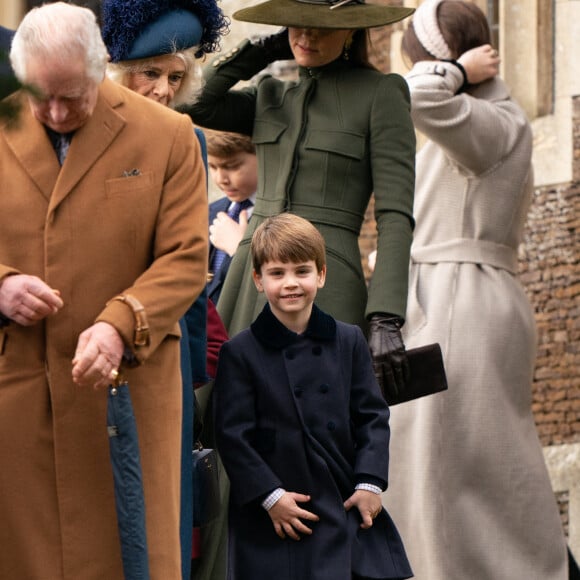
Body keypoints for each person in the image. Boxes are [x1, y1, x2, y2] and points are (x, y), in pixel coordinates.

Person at [0, 3, 208, 579]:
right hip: (19, 392)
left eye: (73, 95)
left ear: (100, 71)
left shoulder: (168, 135)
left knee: (128, 556)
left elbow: (187, 258)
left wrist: (121, 322)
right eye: (43, 97)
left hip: (129, 390)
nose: (58, 112)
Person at [382, 1, 569, 579]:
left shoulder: (487, 120)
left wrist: (456, 69)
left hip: (459, 299)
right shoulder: (483, 119)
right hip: (459, 294)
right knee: (458, 457)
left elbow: (411, 96)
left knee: (444, 459)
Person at [181, 0, 417, 399]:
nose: (306, 36)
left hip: (328, 280)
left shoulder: (380, 94)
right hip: (250, 281)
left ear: (351, 30)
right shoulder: (270, 96)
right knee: (232, 418)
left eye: (320, 27)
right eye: (296, 25)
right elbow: (193, 101)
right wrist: (267, 47)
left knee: (315, 422)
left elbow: (395, 214)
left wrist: (385, 317)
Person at [100, 1, 229, 578]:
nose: (161, 89)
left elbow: (191, 265)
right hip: (93, 328)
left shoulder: (187, 140)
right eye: (150, 73)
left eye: (176, 78)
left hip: (165, 342)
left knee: (163, 505)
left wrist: (196, 371)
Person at [213, 213, 412, 580]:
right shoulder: (240, 352)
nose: (291, 283)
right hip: (276, 515)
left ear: (320, 275)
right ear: (258, 279)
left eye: (301, 271)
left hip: (344, 499)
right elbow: (232, 436)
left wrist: (370, 484)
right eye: (277, 273)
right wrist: (271, 497)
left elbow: (372, 417)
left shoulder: (349, 340)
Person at [206, 129, 257, 304]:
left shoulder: (284, 217)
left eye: (232, 166)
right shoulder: (210, 211)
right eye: (213, 167)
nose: (221, 179)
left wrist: (239, 249)